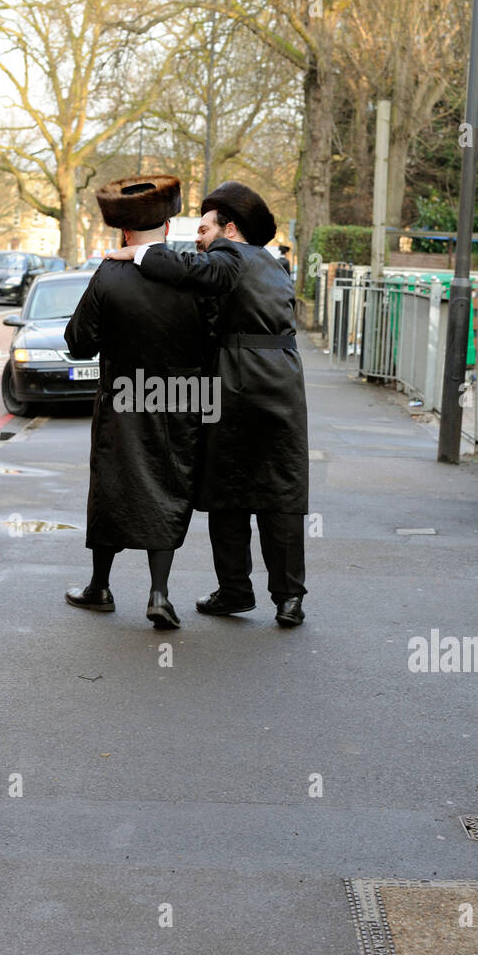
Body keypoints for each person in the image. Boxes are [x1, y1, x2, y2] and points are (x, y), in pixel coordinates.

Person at [108, 180, 310, 628]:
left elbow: (192, 270)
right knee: (281, 492)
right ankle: (289, 598)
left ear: (230, 228)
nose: (197, 239)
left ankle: (236, 590)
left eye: (203, 229)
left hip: (238, 381)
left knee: (227, 490)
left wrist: (139, 253)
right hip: (284, 383)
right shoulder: (273, 264)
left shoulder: (230, 256)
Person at [63, 175, 215, 630]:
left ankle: (100, 587)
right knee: (169, 487)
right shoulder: (191, 272)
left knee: (112, 485)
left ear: (125, 232)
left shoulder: (110, 273)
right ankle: (159, 593)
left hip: (123, 395)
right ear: (168, 227)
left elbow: (78, 343)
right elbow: (213, 334)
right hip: (183, 398)